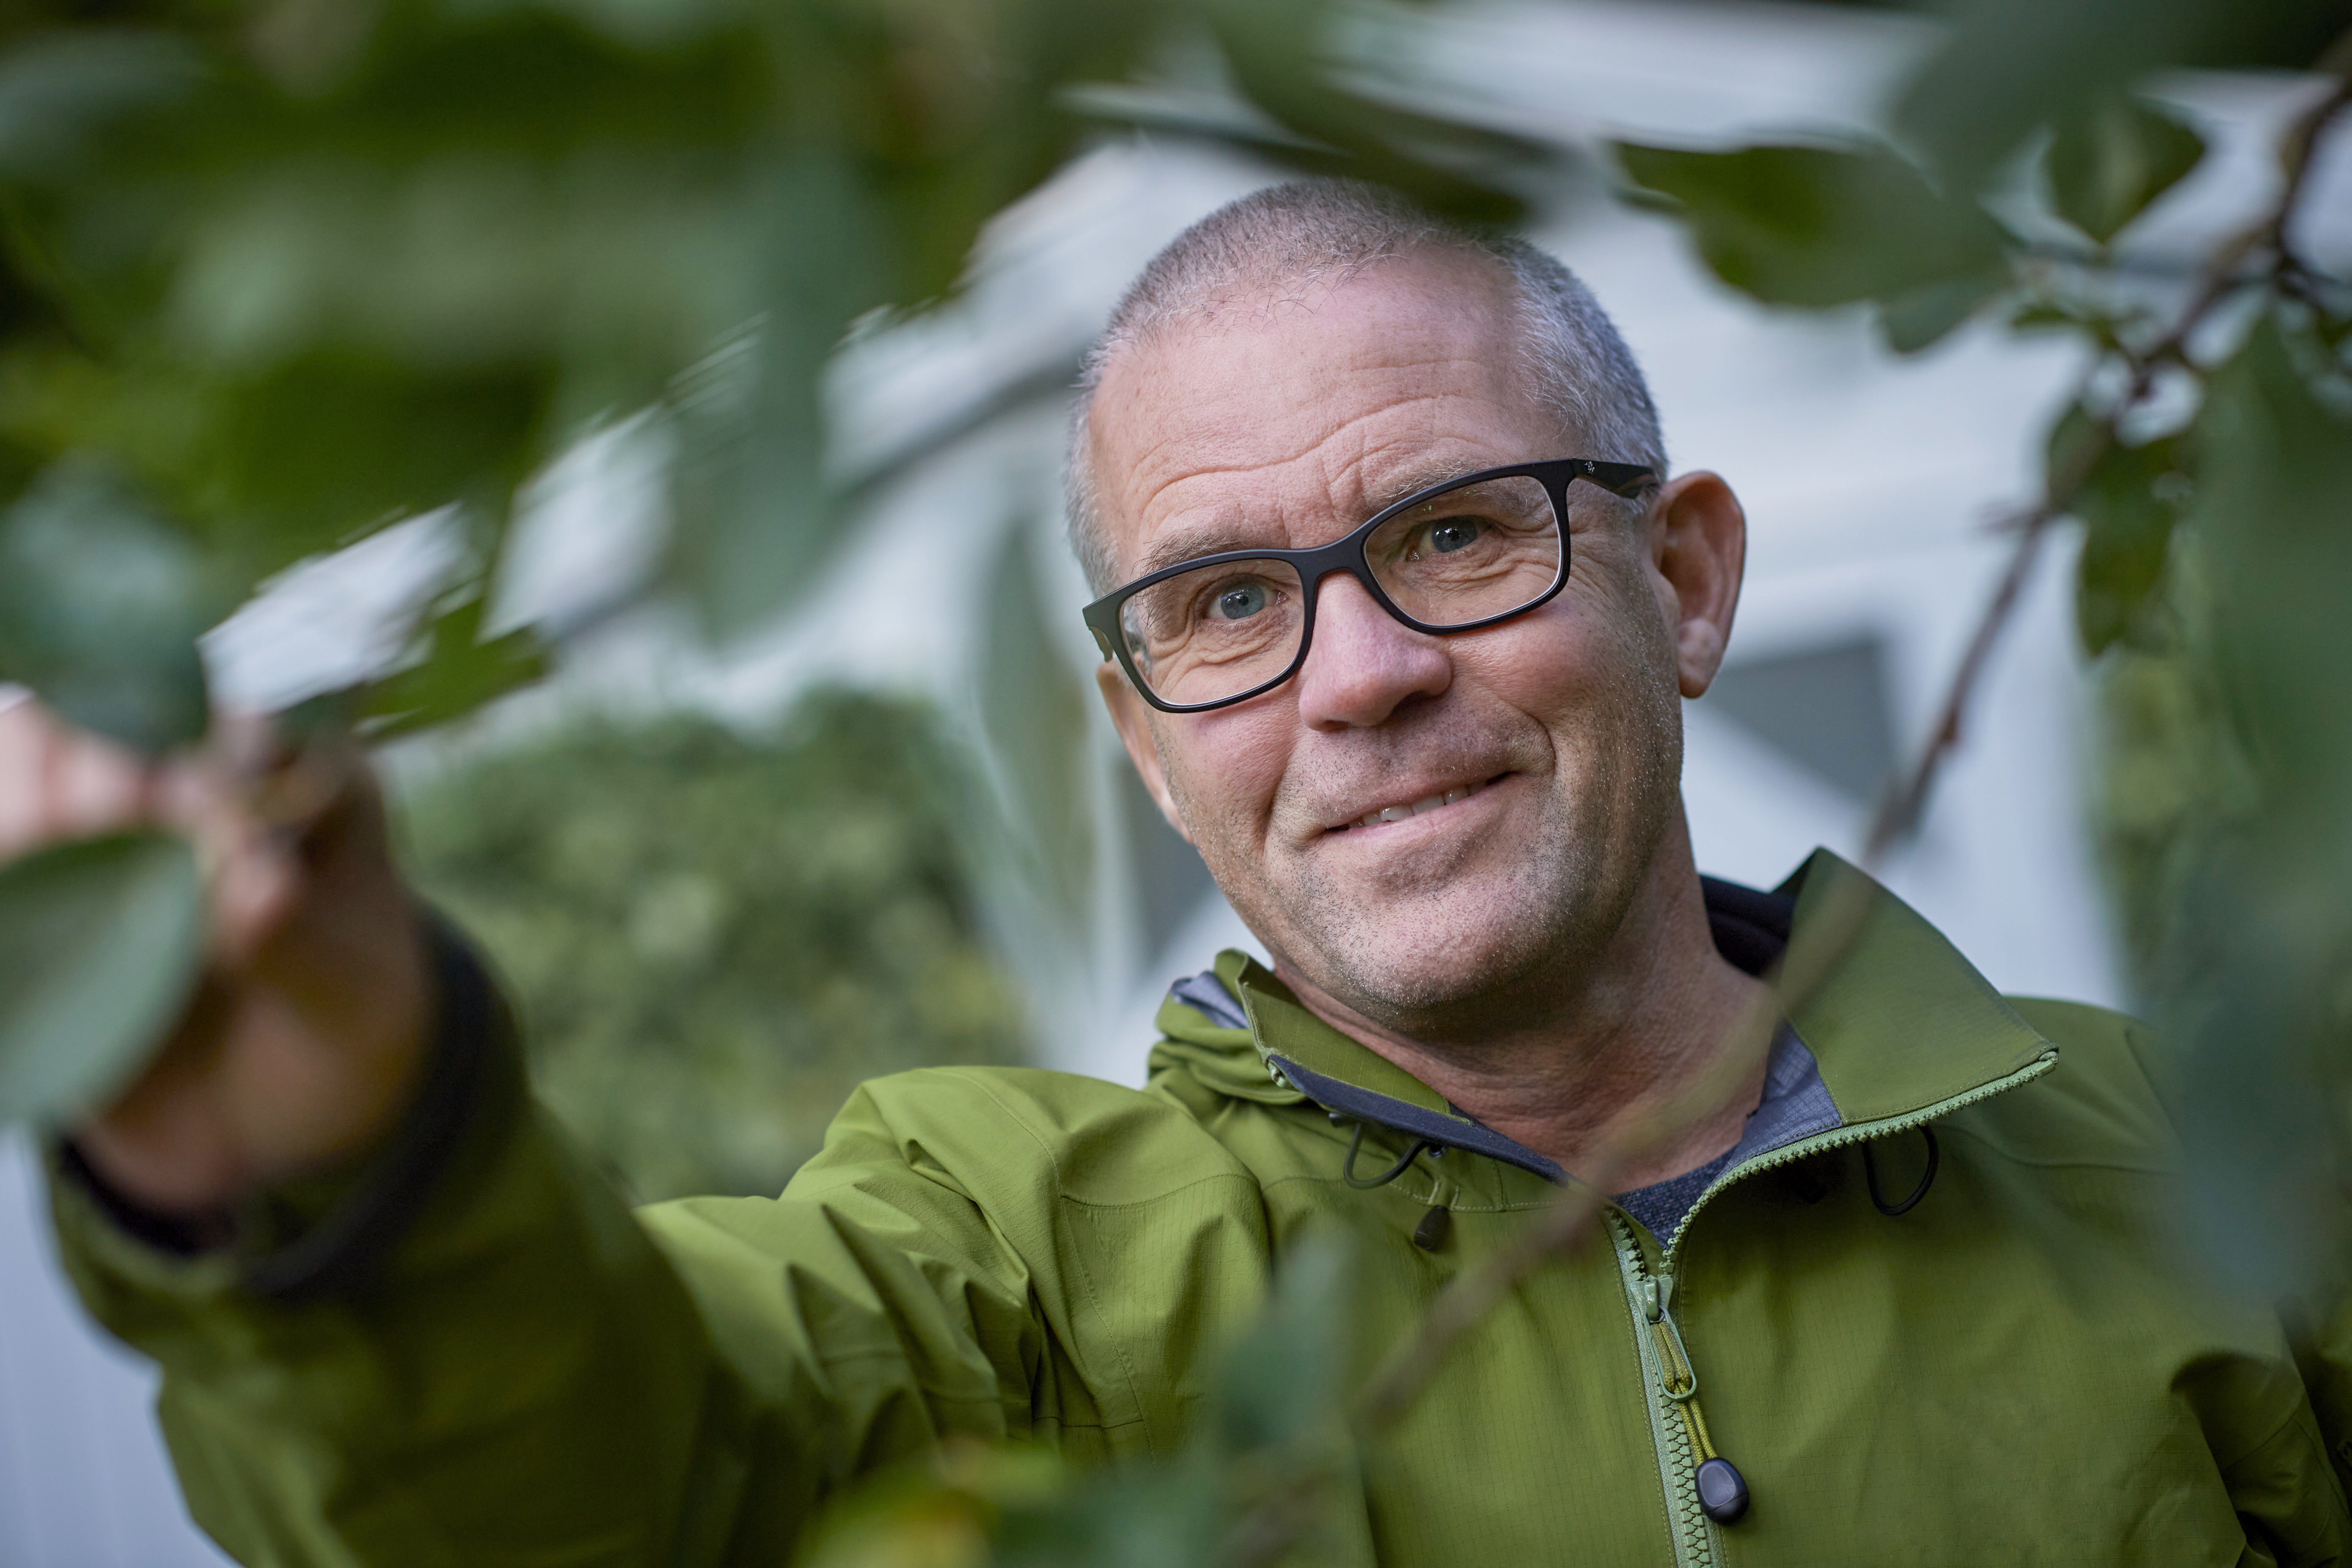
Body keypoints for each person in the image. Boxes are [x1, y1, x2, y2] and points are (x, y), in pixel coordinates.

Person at [12, 179, 2348, 1565]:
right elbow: (615, 1491)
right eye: (1221, 605)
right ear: (1142, 741)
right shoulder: (996, 1269)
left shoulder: (2231, 1192)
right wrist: (350, 1197)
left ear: (1688, 582)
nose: (1352, 681)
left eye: (1451, 531)